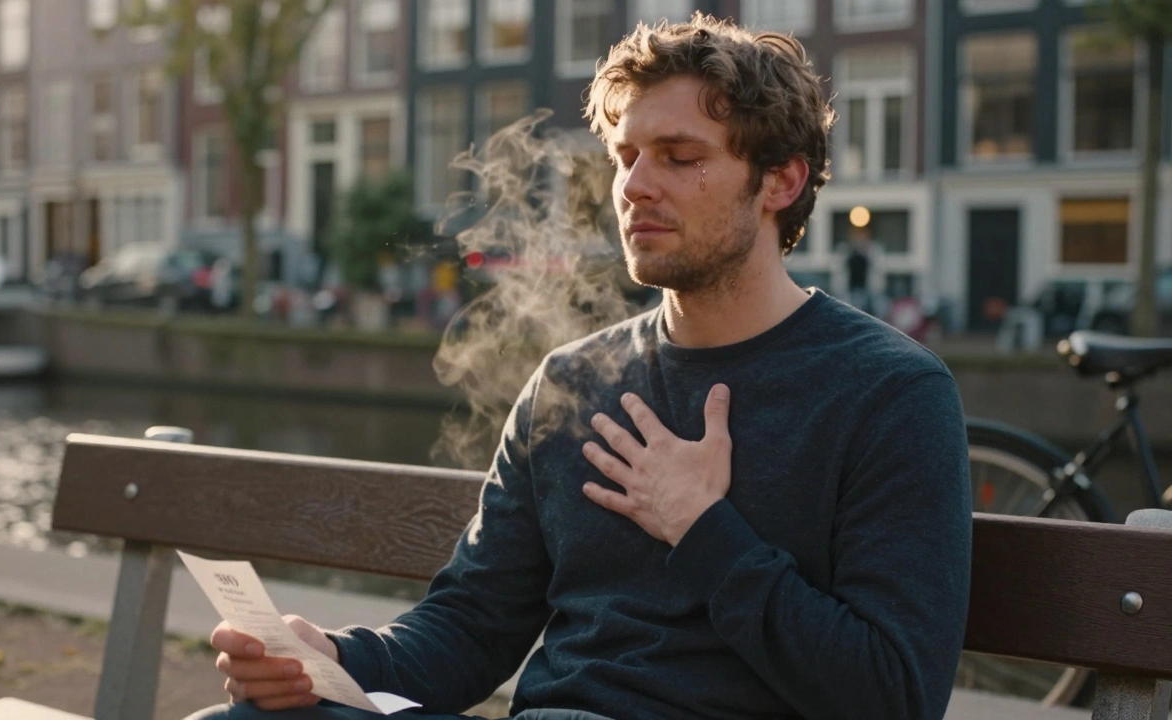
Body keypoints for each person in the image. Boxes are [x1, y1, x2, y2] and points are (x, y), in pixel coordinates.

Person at [185, 14, 971, 720]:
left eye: (679, 156)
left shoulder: (888, 393)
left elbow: (894, 695)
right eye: (626, 155)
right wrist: (331, 658)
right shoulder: (572, 381)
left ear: (782, 180)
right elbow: (471, 629)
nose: (634, 186)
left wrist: (702, 529)